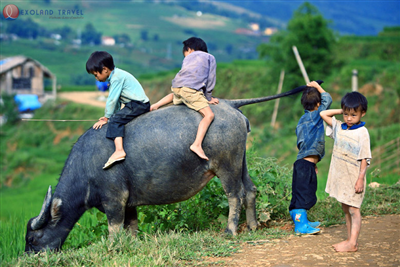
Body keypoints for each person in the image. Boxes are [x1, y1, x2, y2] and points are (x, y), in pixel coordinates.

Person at [150, 37, 219, 160]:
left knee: (176, 96)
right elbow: (210, 79)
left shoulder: (188, 58)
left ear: (190, 50)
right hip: (190, 90)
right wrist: (208, 97)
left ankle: (155, 105)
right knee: (209, 116)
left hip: (177, 87)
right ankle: (197, 144)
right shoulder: (210, 58)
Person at [320, 91, 371, 252]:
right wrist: (342, 110)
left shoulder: (362, 132)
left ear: (362, 113)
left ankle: (353, 243)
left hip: (353, 177)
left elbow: (364, 157)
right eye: (346, 114)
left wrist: (360, 179)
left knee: (354, 209)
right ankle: (350, 239)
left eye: (353, 114)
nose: (349, 118)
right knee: (345, 208)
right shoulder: (339, 127)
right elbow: (323, 113)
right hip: (340, 176)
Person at [86, 51, 150, 169]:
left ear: (105, 69)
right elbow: (117, 102)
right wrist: (109, 116)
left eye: (96, 75)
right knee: (115, 118)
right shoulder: (115, 76)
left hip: (138, 104)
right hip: (134, 104)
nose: (96, 78)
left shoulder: (116, 78)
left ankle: (119, 150)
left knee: (115, 121)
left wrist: (107, 118)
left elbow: (112, 100)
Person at [289, 80, 332, 234]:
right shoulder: (317, 115)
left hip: (303, 162)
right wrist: (318, 87)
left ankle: (303, 221)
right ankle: (300, 226)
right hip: (305, 165)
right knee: (303, 195)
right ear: (318, 104)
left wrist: (313, 163)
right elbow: (328, 99)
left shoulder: (302, 120)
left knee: (301, 193)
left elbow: (302, 144)